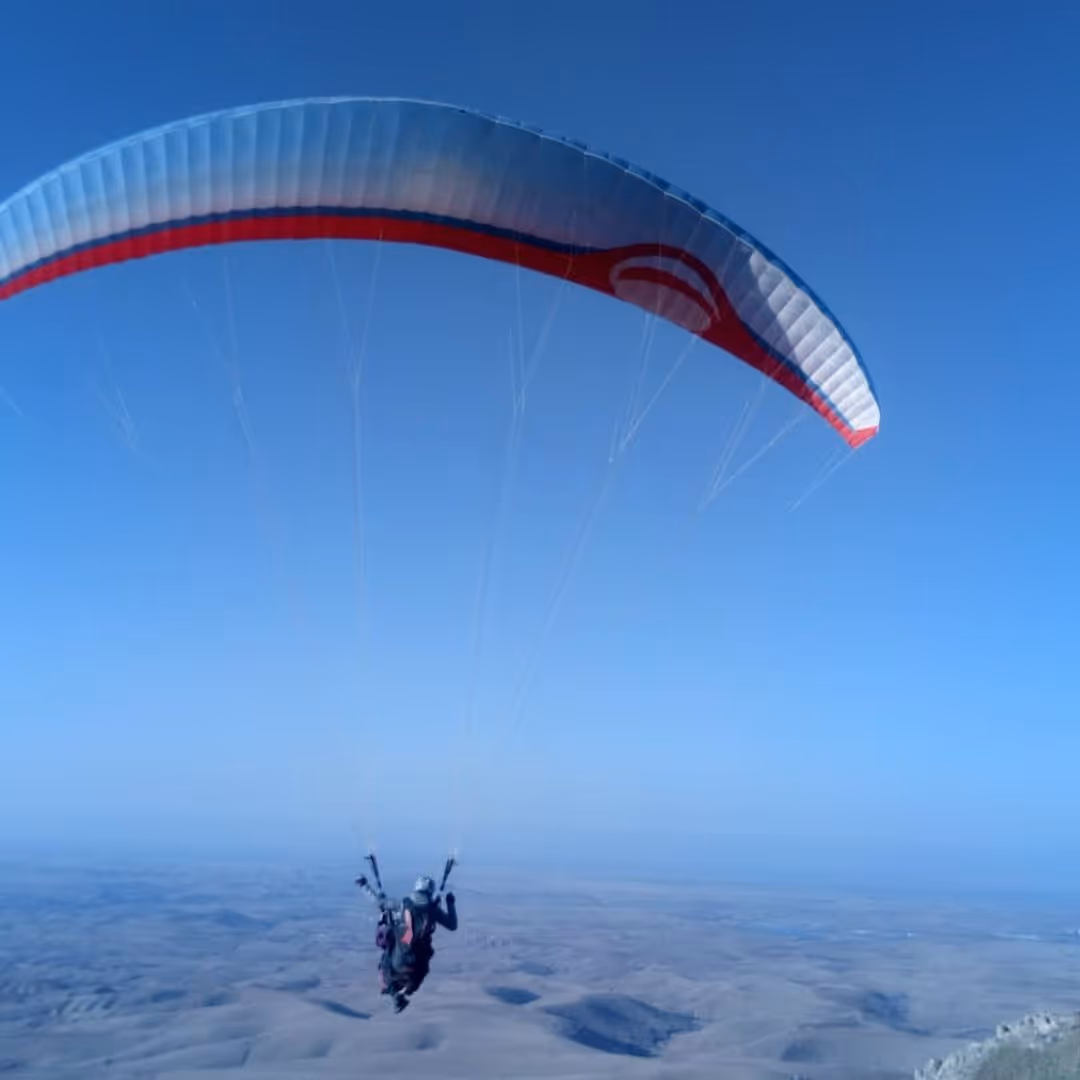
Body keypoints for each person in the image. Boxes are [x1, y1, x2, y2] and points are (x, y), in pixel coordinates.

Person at [377, 875, 458, 1013]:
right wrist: (450, 902)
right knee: (422, 969)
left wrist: (365, 886)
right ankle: (404, 992)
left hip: (398, 960)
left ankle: (393, 994)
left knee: (386, 960)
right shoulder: (433, 910)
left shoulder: (403, 905)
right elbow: (452, 925)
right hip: (418, 964)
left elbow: (380, 903)